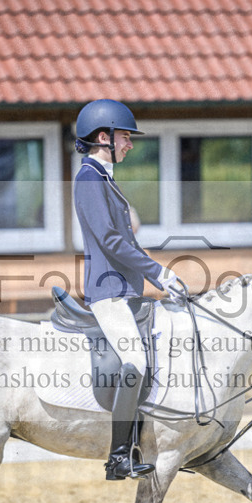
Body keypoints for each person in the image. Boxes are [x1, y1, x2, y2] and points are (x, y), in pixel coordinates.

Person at [73, 99, 184, 481]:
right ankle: (119, 455)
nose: (130, 145)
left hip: (127, 289)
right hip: (108, 292)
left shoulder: (104, 177)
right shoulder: (88, 178)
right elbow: (109, 240)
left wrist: (159, 277)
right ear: (103, 137)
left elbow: (127, 242)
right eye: (125, 138)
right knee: (135, 363)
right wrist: (159, 273)